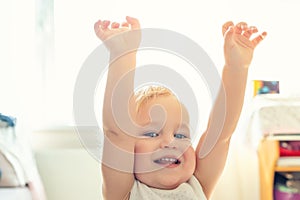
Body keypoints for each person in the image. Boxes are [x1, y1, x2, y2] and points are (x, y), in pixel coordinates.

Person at [94, 16, 267, 200]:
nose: (170, 142)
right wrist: (123, 54)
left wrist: (237, 67)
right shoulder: (125, 192)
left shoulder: (197, 185)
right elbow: (117, 133)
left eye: (181, 135)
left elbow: (220, 134)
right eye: (152, 134)